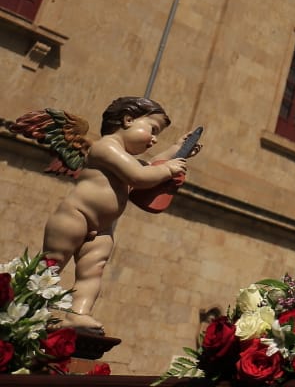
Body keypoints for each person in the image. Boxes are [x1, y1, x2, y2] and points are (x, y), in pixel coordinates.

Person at [41, 96, 197, 332]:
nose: (154, 140)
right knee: (52, 263)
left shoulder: (126, 159)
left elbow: (147, 168)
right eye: (153, 130)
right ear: (127, 120)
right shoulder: (105, 147)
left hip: (103, 228)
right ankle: (31, 303)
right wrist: (168, 169)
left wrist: (176, 150)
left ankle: (78, 313)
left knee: (92, 271)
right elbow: (139, 176)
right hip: (75, 216)